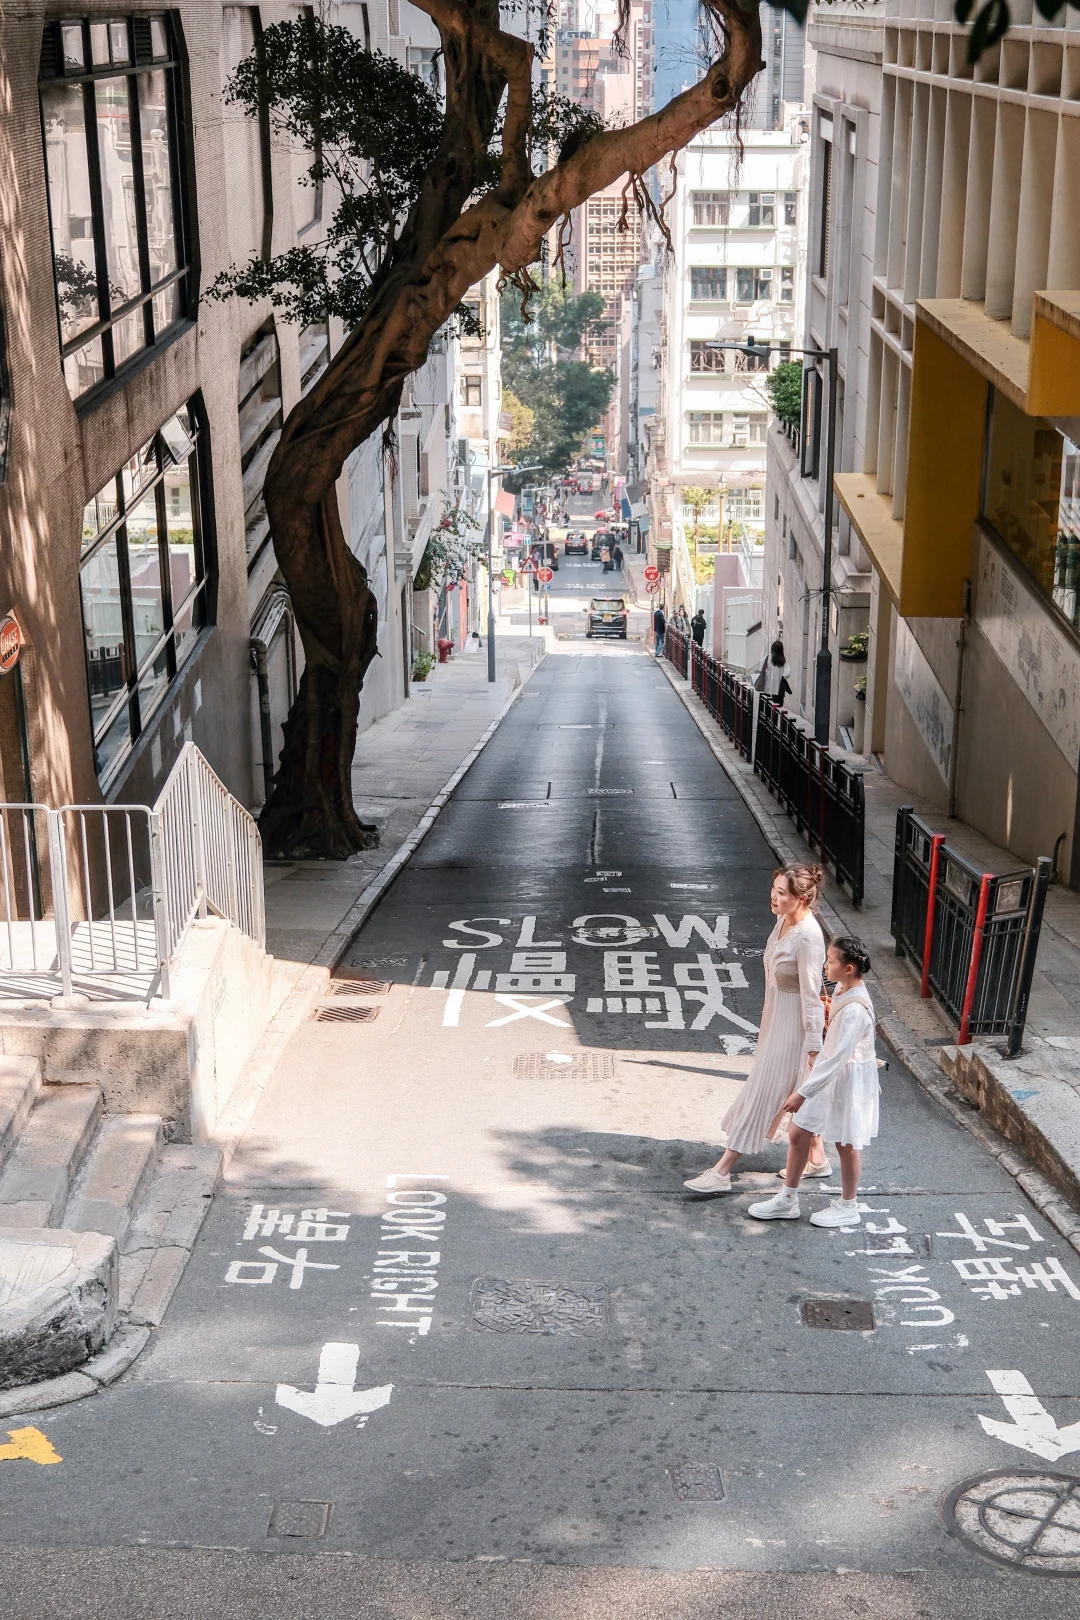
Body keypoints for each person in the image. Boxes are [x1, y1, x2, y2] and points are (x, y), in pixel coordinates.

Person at [684, 864, 829, 1194]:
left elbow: (811, 996)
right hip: (775, 1017)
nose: (773, 897)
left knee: (764, 1089)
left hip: (795, 1028)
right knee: (797, 1090)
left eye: (781, 893)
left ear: (801, 899)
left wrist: (812, 1047)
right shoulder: (784, 921)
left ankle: (723, 1170)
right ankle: (818, 1158)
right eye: (774, 889)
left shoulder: (808, 937)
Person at [747, 936, 878, 1227]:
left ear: (848, 968)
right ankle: (787, 1199)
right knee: (799, 1132)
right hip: (828, 1074)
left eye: (830, 961)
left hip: (846, 1079)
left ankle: (848, 1205)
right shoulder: (844, 989)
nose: (825, 966)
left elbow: (837, 1059)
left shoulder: (856, 1010)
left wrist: (802, 1093)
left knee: (846, 1144)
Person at [755, 639, 792, 704]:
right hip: (778, 692)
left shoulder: (767, 658)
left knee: (765, 707)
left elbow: (761, 669)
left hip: (766, 689)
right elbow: (787, 674)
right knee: (776, 708)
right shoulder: (783, 662)